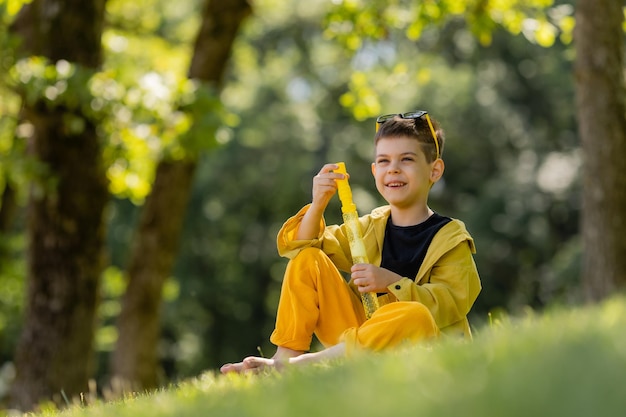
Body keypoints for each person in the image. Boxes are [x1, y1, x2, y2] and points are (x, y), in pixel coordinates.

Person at [220, 110, 481, 373]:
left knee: (415, 314)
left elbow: (450, 303)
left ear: (434, 170)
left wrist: (391, 282)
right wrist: (318, 204)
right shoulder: (369, 227)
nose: (393, 169)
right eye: (383, 161)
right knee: (308, 259)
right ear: (374, 170)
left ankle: (307, 364)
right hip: (355, 343)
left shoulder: (451, 238)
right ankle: (283, 362)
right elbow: (301, 246)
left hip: (419, 349)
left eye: (407, 159)